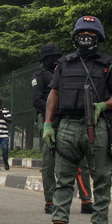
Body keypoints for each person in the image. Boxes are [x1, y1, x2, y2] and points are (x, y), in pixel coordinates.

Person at [41, 15, 112, 224]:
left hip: (97, 125)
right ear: (75, 37)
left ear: (98, 38)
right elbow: (54, 95)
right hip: (67, 125)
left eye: (91, 35)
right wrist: (48, 124)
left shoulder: (109, 64)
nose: (86, 38)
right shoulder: (64, 63)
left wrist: (104, 105)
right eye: (82, 34)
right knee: (64, 179)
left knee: (101, 178)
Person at [31, 43, 62, 214]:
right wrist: (53, 110)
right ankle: (49, 200)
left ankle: (84, 199)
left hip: (64, 118)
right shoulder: (39, 75)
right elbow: (37, 100)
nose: (56, 60)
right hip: (46, 118)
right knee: (49, 160)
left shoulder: (63, 72)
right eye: (52, 57)